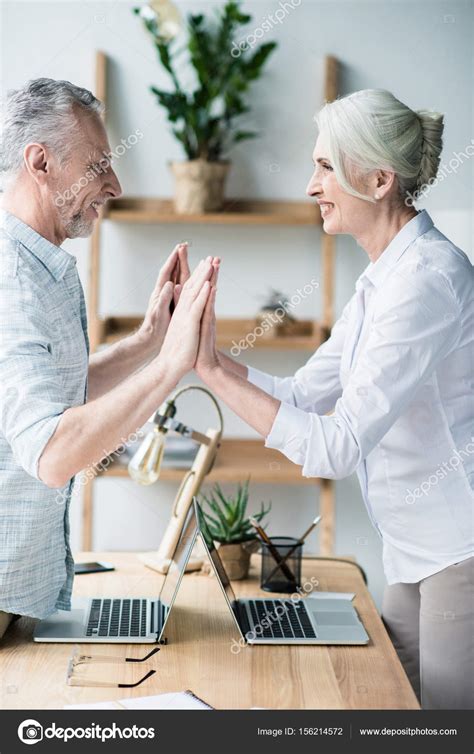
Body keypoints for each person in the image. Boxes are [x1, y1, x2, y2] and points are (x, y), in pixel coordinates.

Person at [194, 89, 474, 710]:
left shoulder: (427, 281)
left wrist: (212, 376)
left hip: (460, 551)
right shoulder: (381, 280)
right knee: (396, 712)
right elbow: (299, 395)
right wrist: (206, 357)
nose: (310, 186)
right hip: (412, 550)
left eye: (324, 167)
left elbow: (337, 446)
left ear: (379, 179)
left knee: (446, 730)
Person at [0, 79, 217, 639]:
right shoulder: (13, 282)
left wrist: (148, 340)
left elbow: (60, 395)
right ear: (40, 162)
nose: (114, 185)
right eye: (99, 166)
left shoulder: (39, 263)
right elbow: (51, 451)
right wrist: (171, 364)